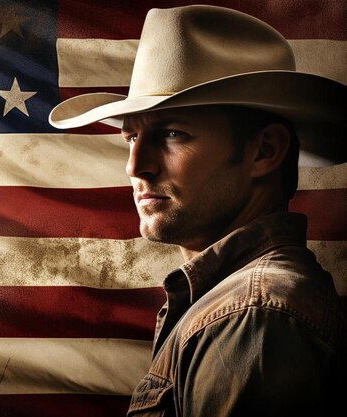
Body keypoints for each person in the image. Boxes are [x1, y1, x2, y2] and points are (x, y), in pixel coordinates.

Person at [49, 5, 346, 417]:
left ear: (265, 150)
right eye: (131, 137)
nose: (136, 166)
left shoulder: (254, 318)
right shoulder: (239, 306)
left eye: (172, 133)